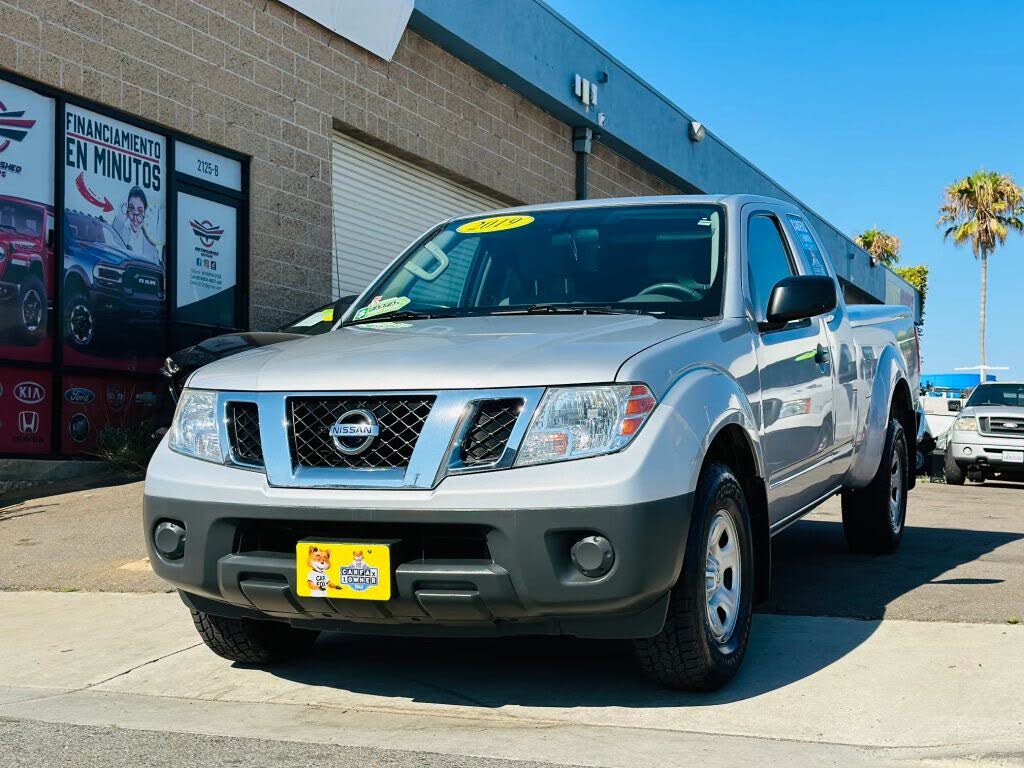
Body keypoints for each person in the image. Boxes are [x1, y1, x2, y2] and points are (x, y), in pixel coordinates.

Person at [113, 186, 161, 262]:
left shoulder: (150, 241)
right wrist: (120, 217)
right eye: (131, 209)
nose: (135, 219)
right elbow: (112, 247)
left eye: (140, 211)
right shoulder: (121, 232)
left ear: (145, 212)